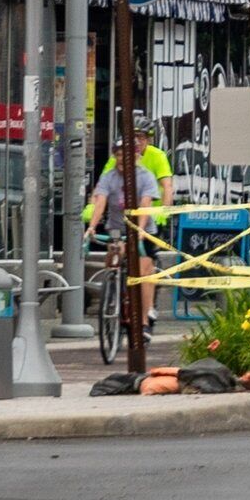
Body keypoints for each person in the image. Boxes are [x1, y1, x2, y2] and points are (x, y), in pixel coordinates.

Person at [83, 123, 166, 356]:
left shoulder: (145, 177)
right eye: (118, 155)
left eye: (126, 155)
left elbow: (145, 205)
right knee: (114, 256)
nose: (121, 159)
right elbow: (100, 201)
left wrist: (139, 230)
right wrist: (91, 227)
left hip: (142, 229)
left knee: (143, 269)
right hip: (117, 228)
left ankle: (144, 320)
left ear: (136, 157)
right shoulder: (109, 177)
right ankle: (113, 290)